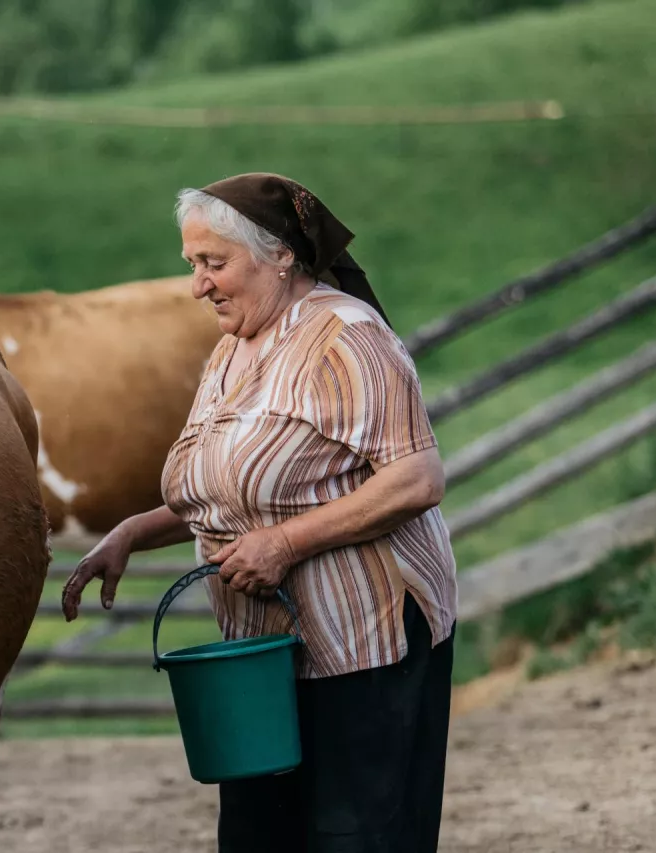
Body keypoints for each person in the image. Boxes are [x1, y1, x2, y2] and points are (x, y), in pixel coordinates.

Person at [61, 172, 458, 853]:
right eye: (192, 265)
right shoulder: (232, 350)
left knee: (358, 831)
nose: (197, 285)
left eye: (213, 264)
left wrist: (284, 544)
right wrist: (133, 531)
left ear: (279, 254)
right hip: (264, 653)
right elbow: (229, 488)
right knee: (258, 834)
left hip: (363, 638)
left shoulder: (347, 340)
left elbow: (417, 478)